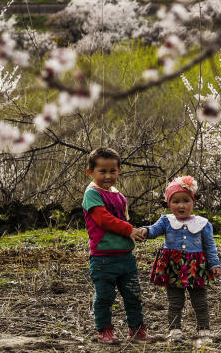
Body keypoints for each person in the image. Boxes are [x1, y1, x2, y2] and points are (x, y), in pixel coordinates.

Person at [139, 176, 221, 343]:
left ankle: (204, 330)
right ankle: (174, 330)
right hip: (172, 267)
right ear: (169, 204)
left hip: (196, 268)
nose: (181, 205)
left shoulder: (203, 224)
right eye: (176, 201)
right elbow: (154, 230)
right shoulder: (166, 220)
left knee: (200, 301)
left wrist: (214, 263)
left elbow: (210, 246)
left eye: (186, 201)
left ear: (193, 202)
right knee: (175, 300)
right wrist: (146, 231)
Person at [82, 147, 148, 344]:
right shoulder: (92, 194)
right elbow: (104, 220)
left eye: (112, 171)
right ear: (91, 172)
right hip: (103, 257)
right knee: (105, 296)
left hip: (125, 256)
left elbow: (122, 219)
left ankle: (137, 330)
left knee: (134, 294)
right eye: (102, 171)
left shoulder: (119, 195)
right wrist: (129, 230)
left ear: (120, 170)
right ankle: (105, 330)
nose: (108, 176)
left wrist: (137, 232)